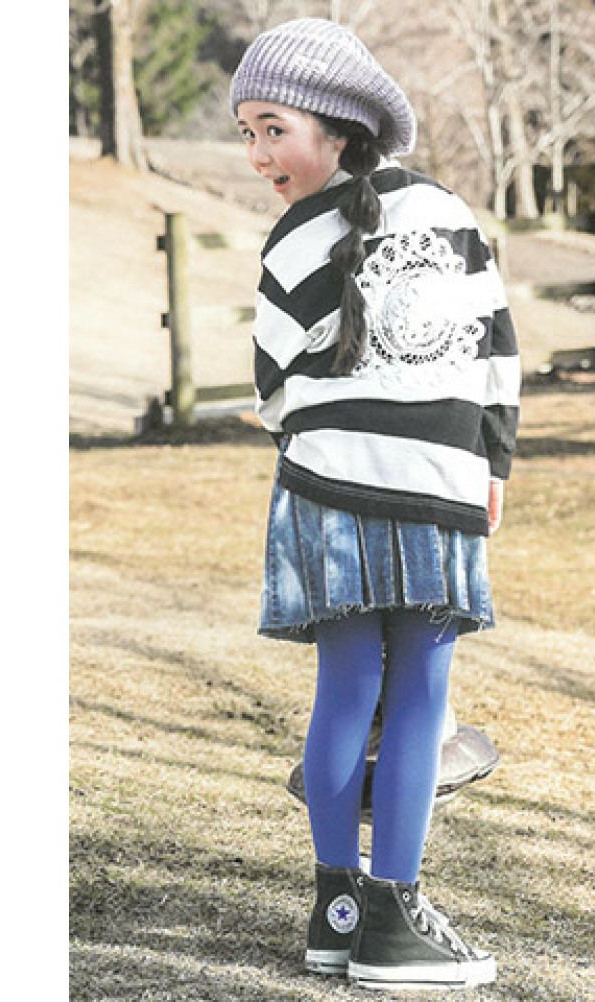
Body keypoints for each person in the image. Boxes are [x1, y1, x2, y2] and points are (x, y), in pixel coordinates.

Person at [230, 17, 520, 992]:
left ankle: (338, 913)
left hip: (328, 493)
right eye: (249, 134)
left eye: (274, 129)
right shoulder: (451, 214)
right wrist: (494, 463)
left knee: (347, 693)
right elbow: (496, 354)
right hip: (436, 491)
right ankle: (390, 923)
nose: (259, 154)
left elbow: (272, 386)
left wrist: (329, 435)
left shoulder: (294, 240)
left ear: (340, 125)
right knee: (420, 700)